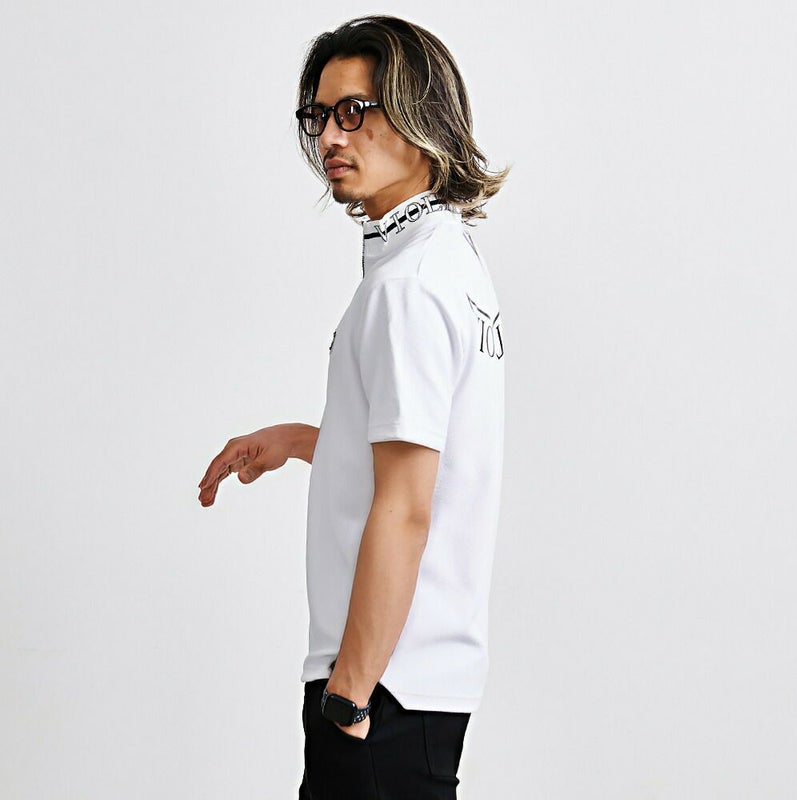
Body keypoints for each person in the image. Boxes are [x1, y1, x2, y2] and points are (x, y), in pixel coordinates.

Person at [197, 15, 508, 799]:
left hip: (382, 690)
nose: (331, 136)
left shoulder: (406, 288)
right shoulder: (448, 264)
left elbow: (406, 508)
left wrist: (348, 694)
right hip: (419, 683)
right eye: (320, 115)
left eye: (354, 111)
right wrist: (306, 440)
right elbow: (427, 451)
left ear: (418, 114)